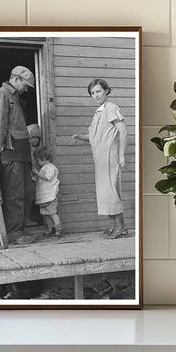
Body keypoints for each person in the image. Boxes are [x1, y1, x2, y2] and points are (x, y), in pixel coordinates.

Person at [72, 78, 128, 239]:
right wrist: (80, 137)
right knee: (105, 192)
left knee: (111, 190)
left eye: (98, 91)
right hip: (100, 158)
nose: (96, 95)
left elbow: (123, 132)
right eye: (92, 93)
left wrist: (122, 155)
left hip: (110, 155)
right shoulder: (99, 111)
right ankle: (113, 225)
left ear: (106, 91)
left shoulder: (111, 108)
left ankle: (120, 227)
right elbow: (95, 136)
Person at [0, 65, 36, 244]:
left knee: (24, 192)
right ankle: (14, 233)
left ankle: (20, 229)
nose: (26, 89)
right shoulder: (2, 94)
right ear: (16, 79)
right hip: (10, 152)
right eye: (25, 85)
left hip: (21, 152)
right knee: (14, 193)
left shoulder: (14, 97)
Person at [32, 146, 63, 237]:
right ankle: (50, 229)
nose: (37, 162)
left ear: (44, 158)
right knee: (45, 213)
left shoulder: (50, 167)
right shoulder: (44, 168)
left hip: (50, 196)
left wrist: (37, 173)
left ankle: (59, 229)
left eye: (37, 160)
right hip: (44, 197)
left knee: (52, 213)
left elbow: (47, 178)